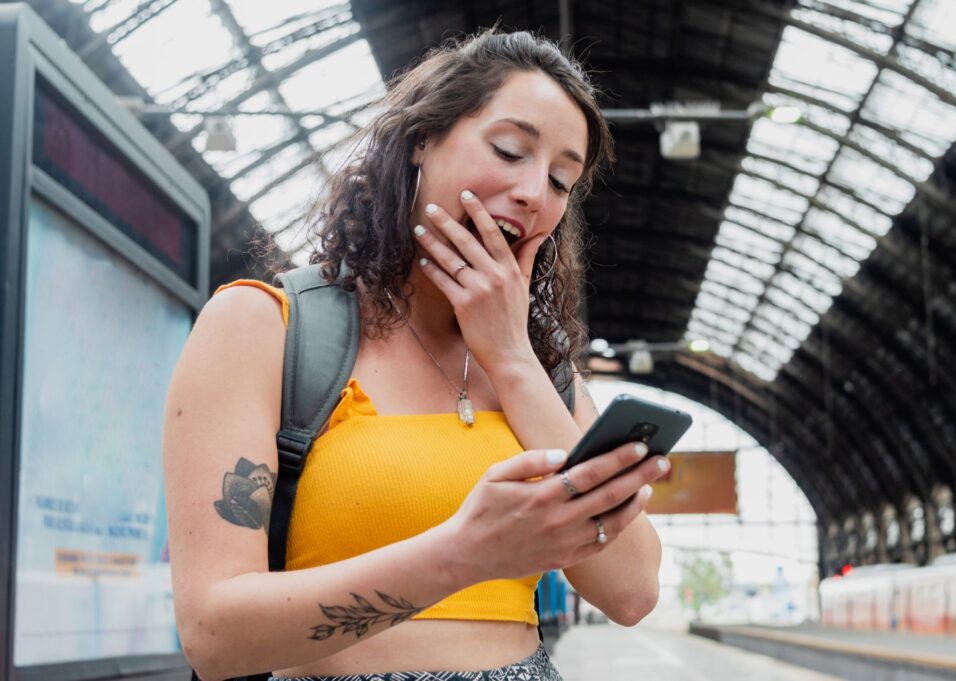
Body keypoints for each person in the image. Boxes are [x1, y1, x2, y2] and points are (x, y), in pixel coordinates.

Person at [162, 28, 669, 681]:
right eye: (509, 149)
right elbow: (212, 634)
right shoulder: (266, 327)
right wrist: (463, 554)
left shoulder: (543, 372)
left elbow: (632, 591)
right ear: (419, 141)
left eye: (562, 179)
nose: (533, 192)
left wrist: (512, 358)